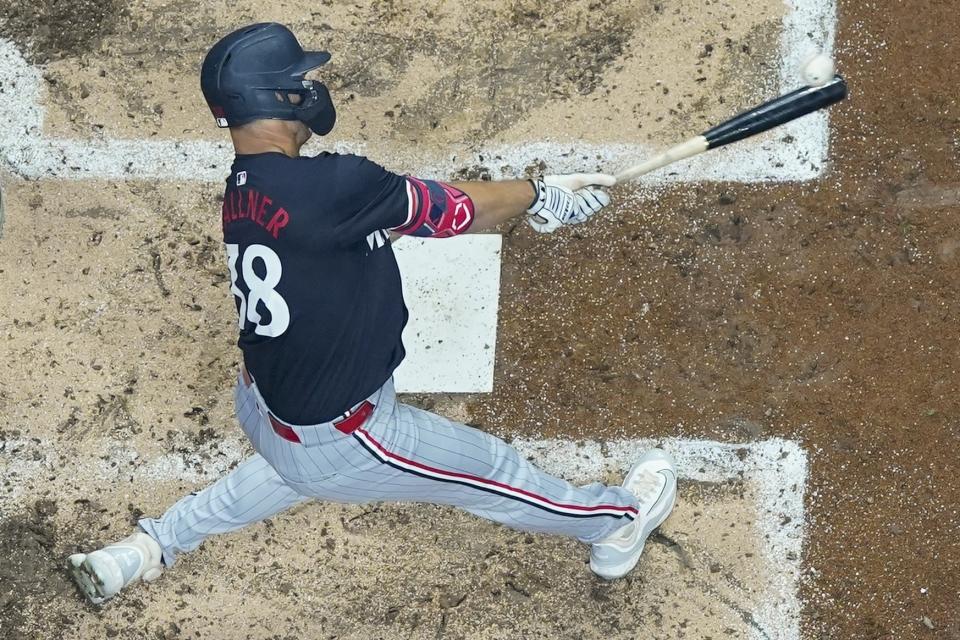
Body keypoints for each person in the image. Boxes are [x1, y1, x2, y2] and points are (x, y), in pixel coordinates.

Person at [67, 22, 677, 604]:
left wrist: (534, 201)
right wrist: (539, 195)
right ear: (279, 96)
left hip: (264, 406)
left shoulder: (246, 185)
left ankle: (150, 546)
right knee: (496, 475)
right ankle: (616, 526)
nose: (311, 88)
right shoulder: (336, 186)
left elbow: (339, 239)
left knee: (291, 471)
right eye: (299, 79)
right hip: (353, 439)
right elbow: (454, 210)